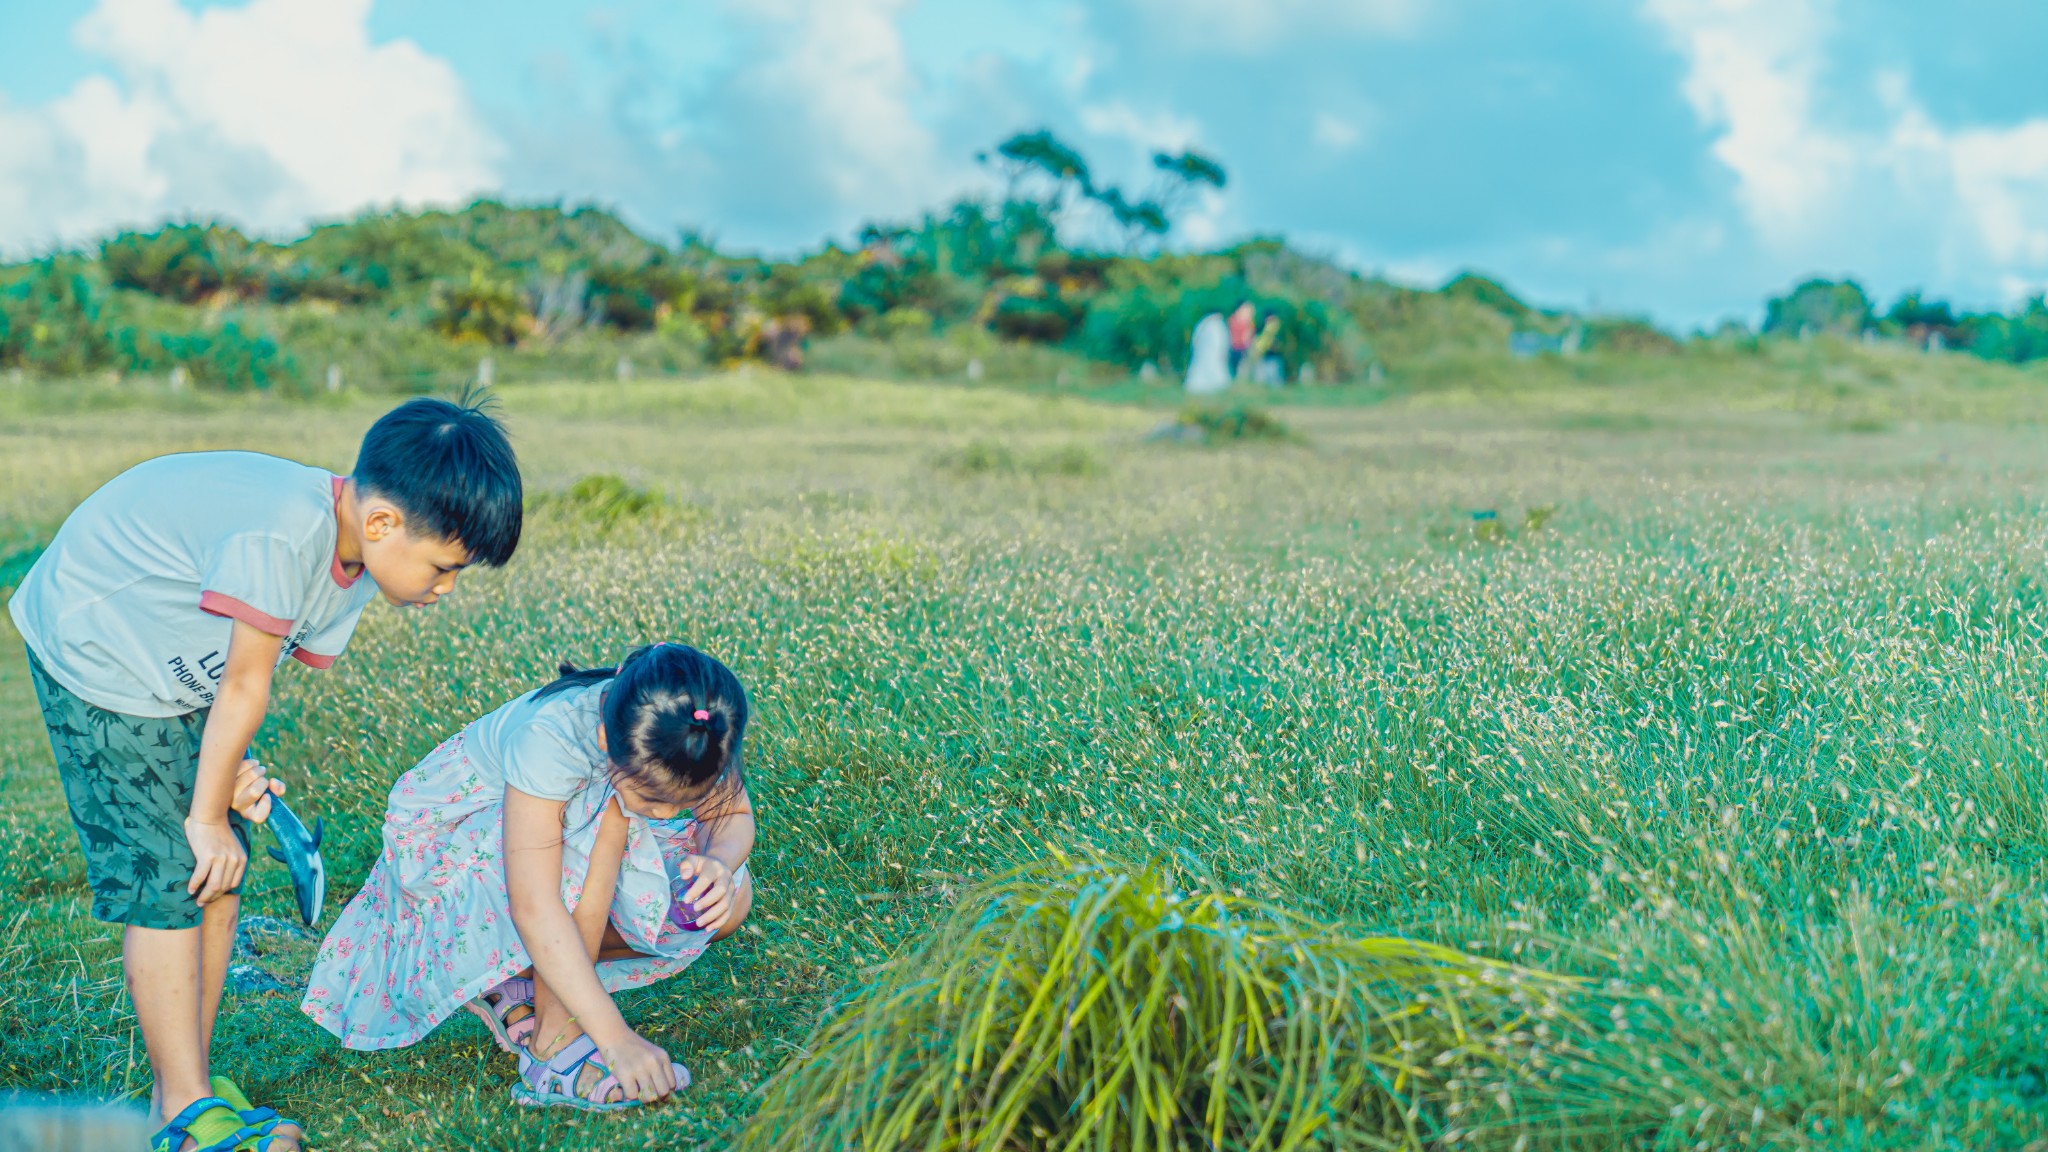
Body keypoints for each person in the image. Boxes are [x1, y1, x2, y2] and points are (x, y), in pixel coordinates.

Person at [9, 396, 524, 1152]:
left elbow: (243, 670)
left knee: (222, 866)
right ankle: (184, 1116)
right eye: (444, 567)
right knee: (173, 872)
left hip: (166, 663)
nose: (446, 587)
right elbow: (245, 687)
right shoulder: (284, 532)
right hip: (101, 649)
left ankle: (182, 1086)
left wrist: (223, 778)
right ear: (383, 524)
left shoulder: (348, 567)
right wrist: (203, 810)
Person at [301, 642, 758, 1113]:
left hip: (548, 854)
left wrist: (719, 865)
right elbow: (536, 905)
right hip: (452, 852)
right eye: (656, 800)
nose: (669, 814)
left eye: (682, 801)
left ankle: (520, 973)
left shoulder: (690, 726)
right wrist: (616, 1038)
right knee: (605, 820)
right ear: (606, 739)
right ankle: (552, 1047)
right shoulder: (551, 740)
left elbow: (732, 814)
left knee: (722, 904)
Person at [1226, 301, 1256, 380]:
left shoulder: (1249, 324)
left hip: (1242, 350)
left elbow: (1248, 340)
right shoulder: (1232, 321)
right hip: (1233, 349)